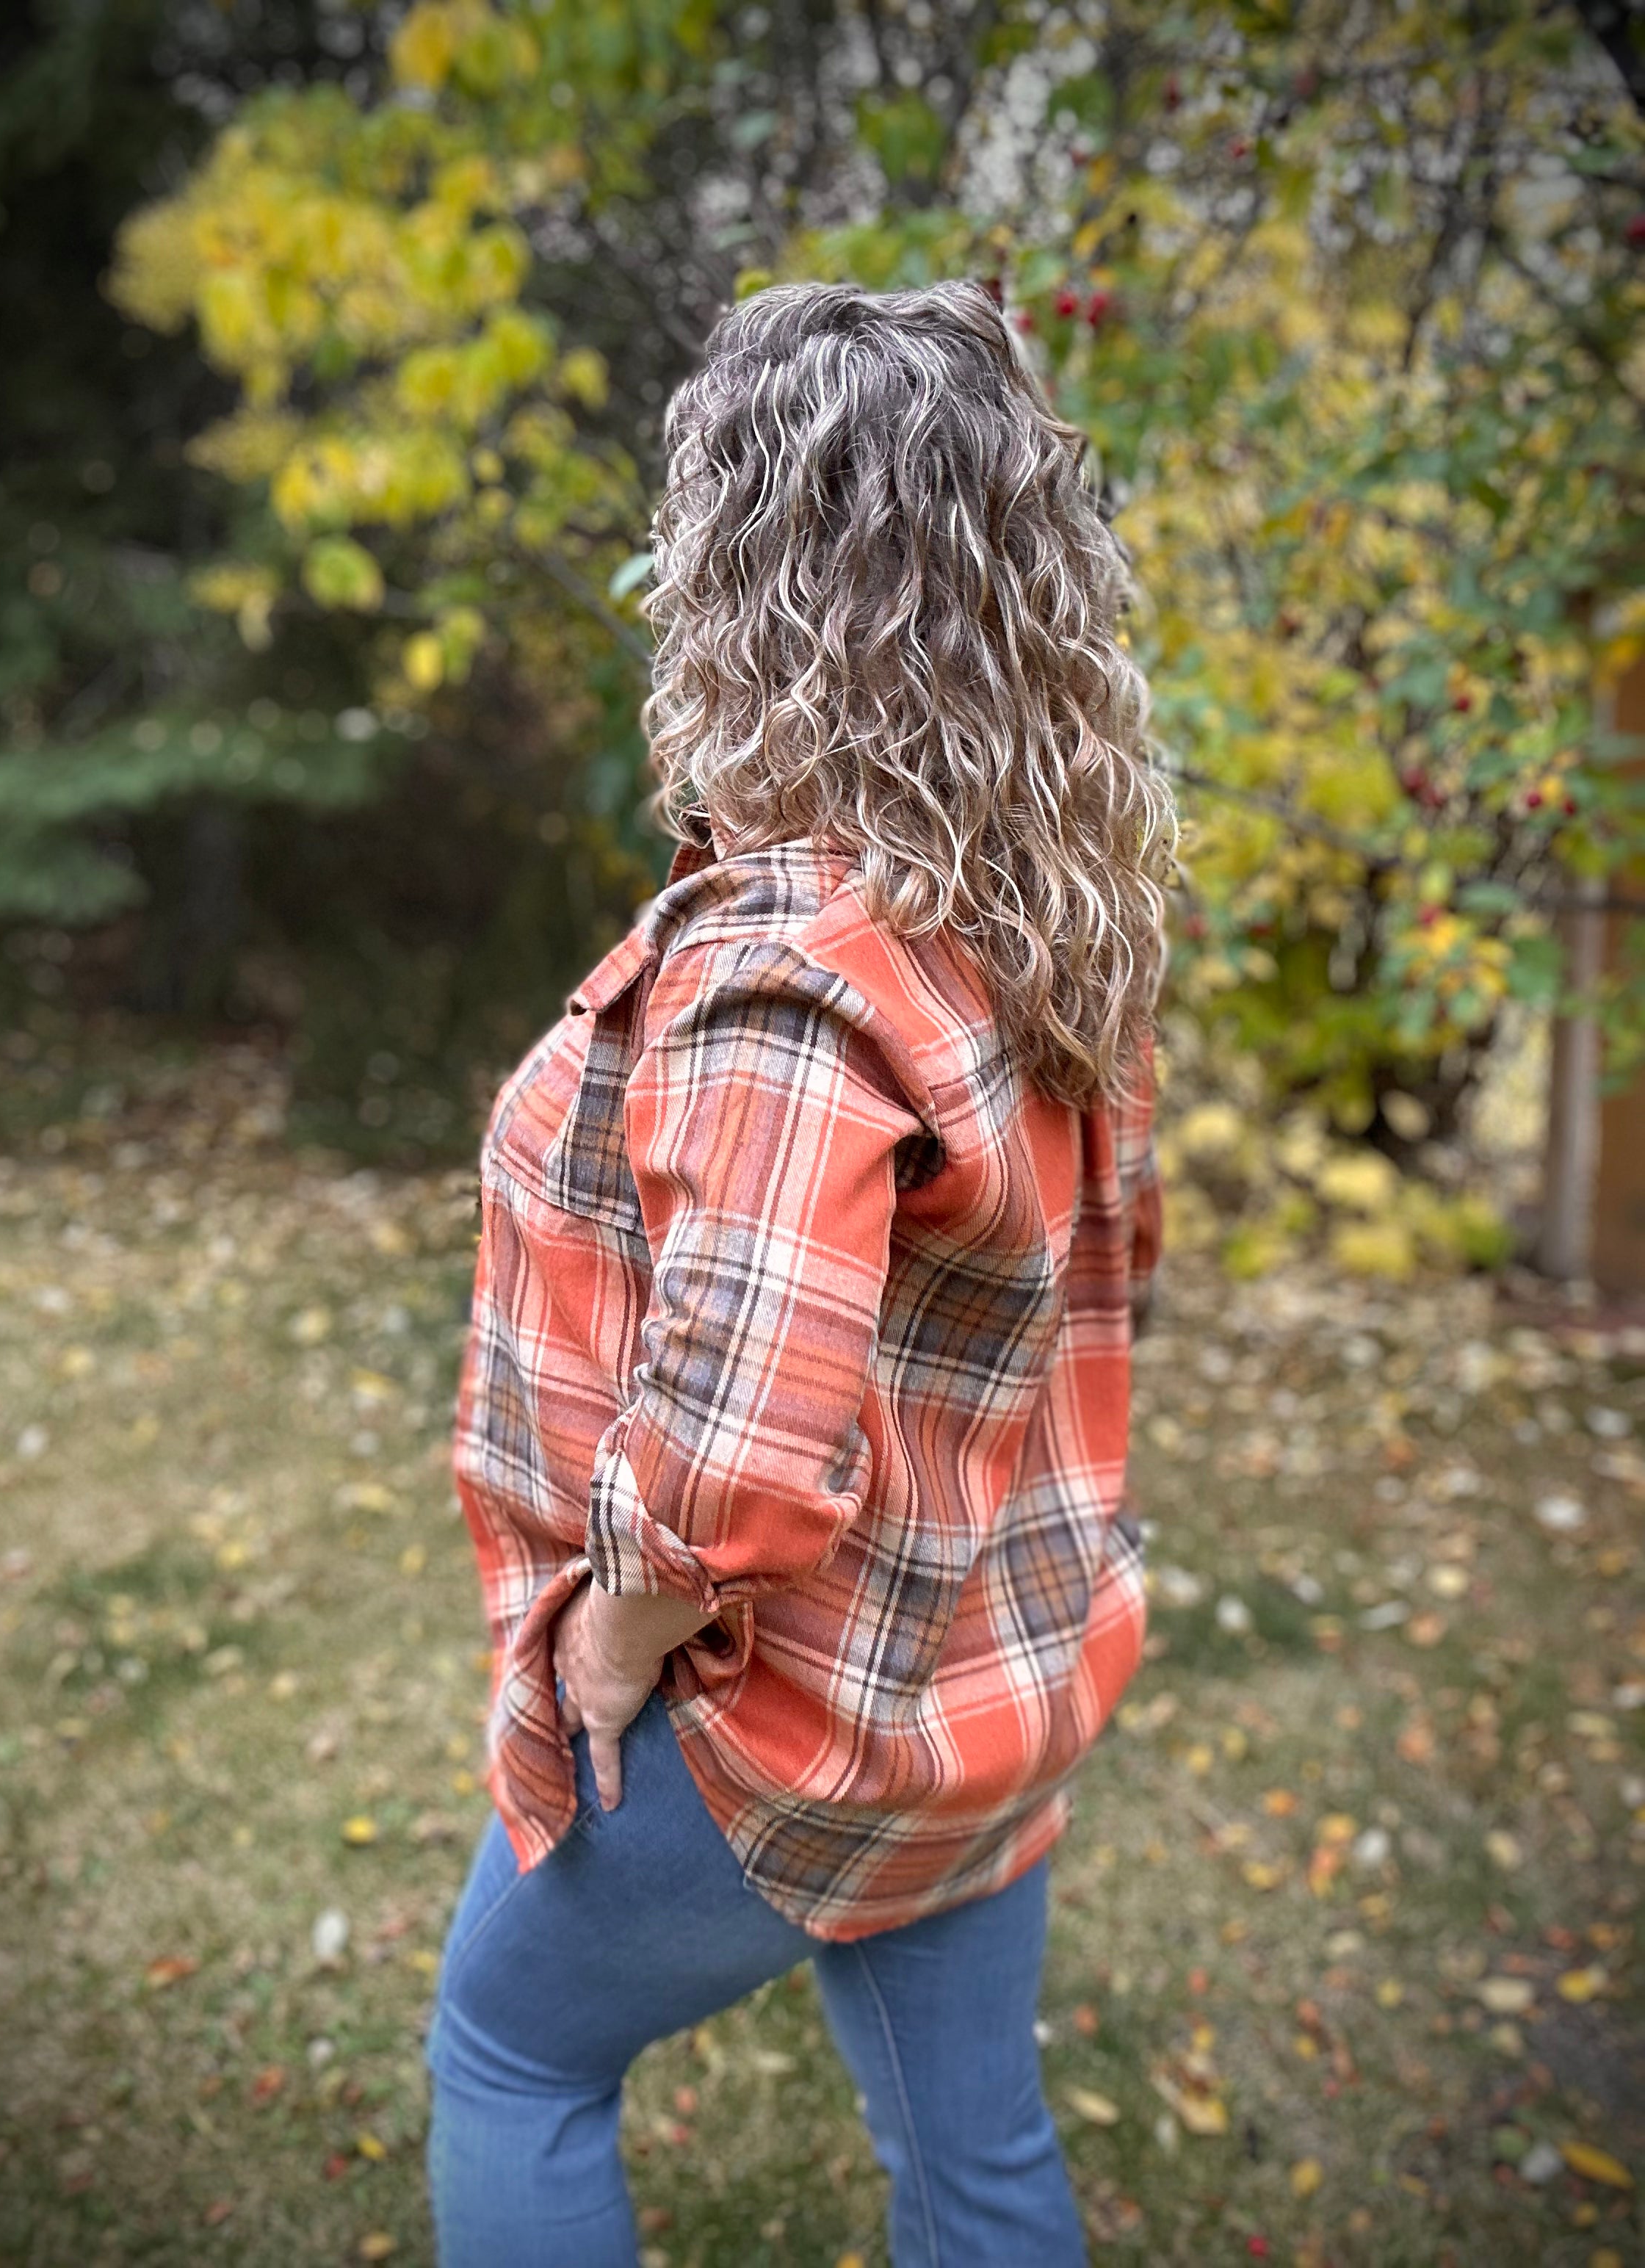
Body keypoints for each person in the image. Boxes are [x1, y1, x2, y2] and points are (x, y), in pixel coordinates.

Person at [428, 277, 1174, 2267]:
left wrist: (609, 1637)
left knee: (506, 2057)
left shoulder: (787, 974)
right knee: (975, 2155)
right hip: (991, 1683)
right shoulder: (1035, 915)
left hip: (796, 1721)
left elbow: (737, 1459)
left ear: (742, 570)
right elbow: (1098, 1291)